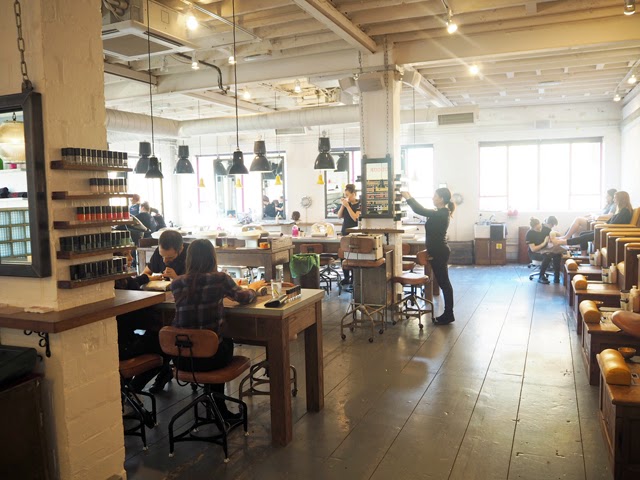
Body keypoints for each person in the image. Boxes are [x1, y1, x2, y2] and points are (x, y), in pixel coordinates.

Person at [170, 239, 265, 420]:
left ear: (189, 259)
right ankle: (219, 408)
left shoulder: (176, 283)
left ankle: (212, 403)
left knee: (209, 343)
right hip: (213, 359)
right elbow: (243, 297)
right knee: (222, 341)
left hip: (183, 358)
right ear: (212, 258)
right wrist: (253, 288)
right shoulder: (220, 279)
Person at [118, 230, 189, 393]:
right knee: (165, 340)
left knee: (160, 334)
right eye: (127, 255)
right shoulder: (127, 283)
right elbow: (143, 275)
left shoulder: (120, 281)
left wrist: (175, 277)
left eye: (169, 258)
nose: (164, 261)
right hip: (125, 344)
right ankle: (135, 387)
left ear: (180, 249)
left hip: (120, 340)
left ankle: (136, 385)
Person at [402, 187, 456, 325]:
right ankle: (448, 314)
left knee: (444, 283)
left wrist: (408, 197)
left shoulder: (442, 213)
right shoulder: (440, 212)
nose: (433, 198)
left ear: (441, 199)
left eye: (435, 196)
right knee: (444, 283)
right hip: (438, 251)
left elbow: (419, 210)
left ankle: (449, 314)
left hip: (439, 252)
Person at [552, 190, 633, 251]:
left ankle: (562, 242)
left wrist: (603, 226)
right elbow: (610, 222)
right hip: (606, 231)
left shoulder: (625, 211)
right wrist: (602, 225)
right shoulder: (620, 211)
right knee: (582, 233)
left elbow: (614, 224)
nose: (614, 200)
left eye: (615, 198)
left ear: (620, 199)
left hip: (609, 234)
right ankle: (583, 255)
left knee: (584, 236)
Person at [336, 184, 361, 285]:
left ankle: (354, 278)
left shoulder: (359, 204)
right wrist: (343, 205)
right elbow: (339, 216)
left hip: (355, 233)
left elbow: (355, 218)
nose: (346, 197)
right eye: (345, 195)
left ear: (353, 194)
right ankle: (346, 277)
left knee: (354, 255)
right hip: (345, 232)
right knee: (343, 255)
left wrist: (348, 206)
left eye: (348, 195)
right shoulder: (346, 204)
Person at [526, 217, 562, 284]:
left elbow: (557, 235)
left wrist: (555, 233)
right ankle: (541, 276)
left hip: (545, 250)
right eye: (537, 229)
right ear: (532, 228)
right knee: (547, 256)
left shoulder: (546, 229)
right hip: (535, 253)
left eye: (540, 227)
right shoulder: (530, 234)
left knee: (557, 254)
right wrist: (544, 243)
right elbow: (533, 249)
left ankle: (557, 277)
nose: (540, 230)